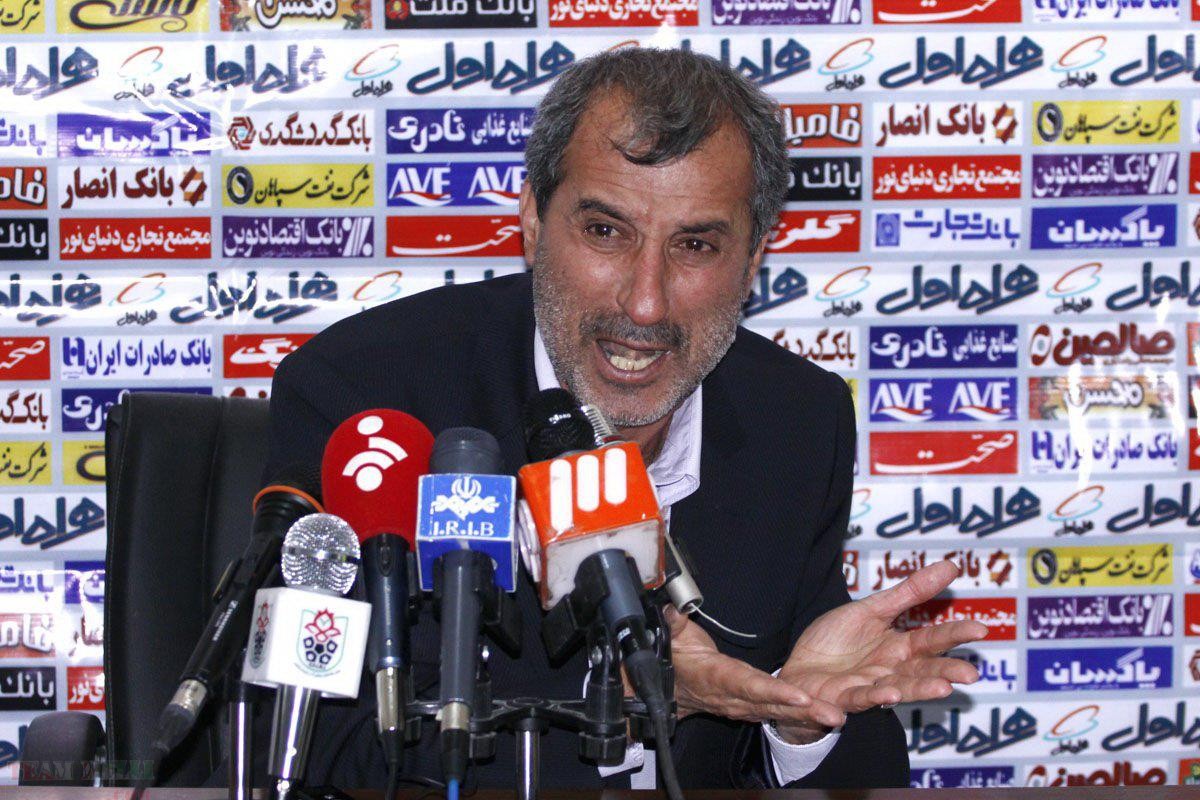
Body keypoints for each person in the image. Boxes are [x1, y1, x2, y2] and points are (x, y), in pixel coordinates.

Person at [264, 47, 986, 789]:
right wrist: (628, 709)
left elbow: (825, 739)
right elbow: (305, 737)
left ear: (754, 259)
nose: (645, 304)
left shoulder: (797, 419)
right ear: (533, 218)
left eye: (695, 245)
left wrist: (800, 723)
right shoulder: (363, 395)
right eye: (606, 232)